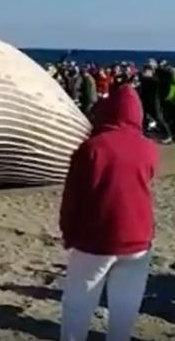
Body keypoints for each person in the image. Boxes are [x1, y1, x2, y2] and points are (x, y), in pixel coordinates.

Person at [58, 84, 158, 341]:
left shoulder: (92, 148)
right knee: (125, 306)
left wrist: (69, 232)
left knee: (78, 304)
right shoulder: (149, 148)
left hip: (97, 238)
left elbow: (73, 199)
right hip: (139, 237)